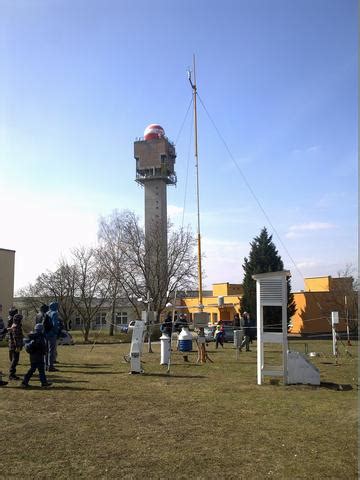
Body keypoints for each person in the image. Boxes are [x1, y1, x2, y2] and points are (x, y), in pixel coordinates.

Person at [21, 323, 52, 388]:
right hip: (38, 356)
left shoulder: (33, 336)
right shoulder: (39, 337)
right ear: (41, 329)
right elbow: (41, 346)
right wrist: (44, 352)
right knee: (34, 369)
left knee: (38, 370)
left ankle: (43, 382)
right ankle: (24, 382)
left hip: (33, 356)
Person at [45, 302, 60, 372]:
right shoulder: (54, 313)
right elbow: (55, 324)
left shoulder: (47, 313)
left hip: (46, 333)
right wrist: (55, 332)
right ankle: (50, 366)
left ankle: (46, 365)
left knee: (46, 350)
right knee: (51, 350)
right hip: (52, 334)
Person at [8, 313, 24, 380]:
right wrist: (18, 346)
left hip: (12, 345)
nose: (21, 320)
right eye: (21, 319)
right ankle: (11, 374)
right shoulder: (16, 326)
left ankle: (12, 374)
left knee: (15, 360)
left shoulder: (14, 325)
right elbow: (16, 337)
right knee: (15, 360)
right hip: (15, 346)